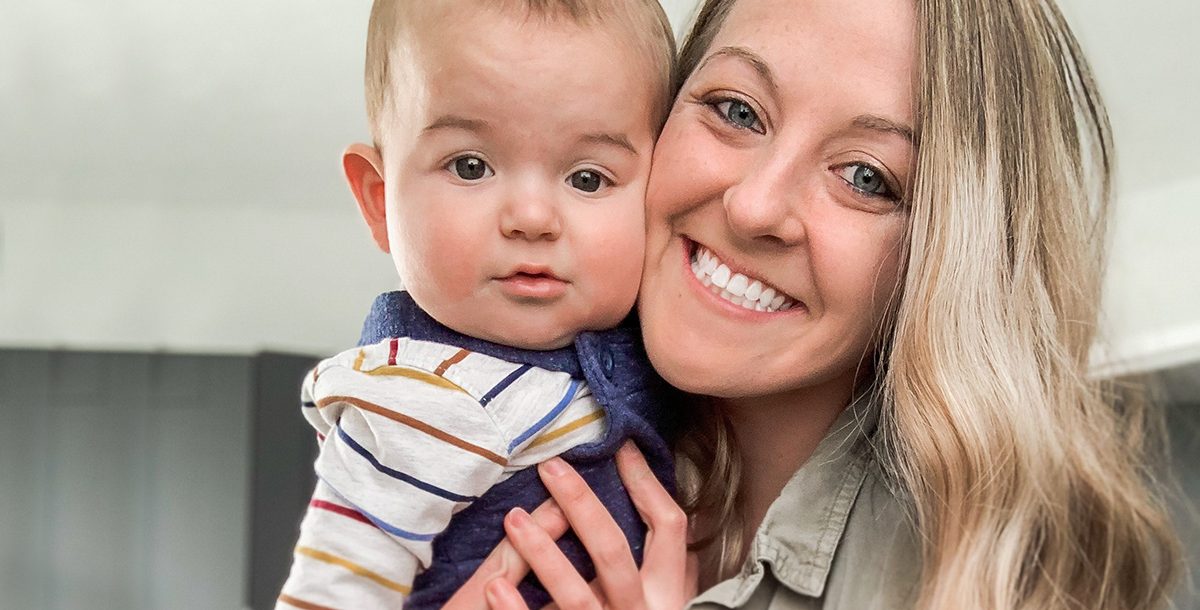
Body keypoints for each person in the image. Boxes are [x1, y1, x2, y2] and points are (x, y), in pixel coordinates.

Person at [444, 0, 1185, 608]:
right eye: (736, 110)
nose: (755, 207)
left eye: (865, 177)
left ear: (952, 255)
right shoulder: (464, 405)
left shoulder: (1002, 585)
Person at [275, 2, 680, 608]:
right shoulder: (414, 398)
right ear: (380, 203)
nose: (532, 218)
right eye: (471, 166)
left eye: (588, 178)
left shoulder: (661, 359)